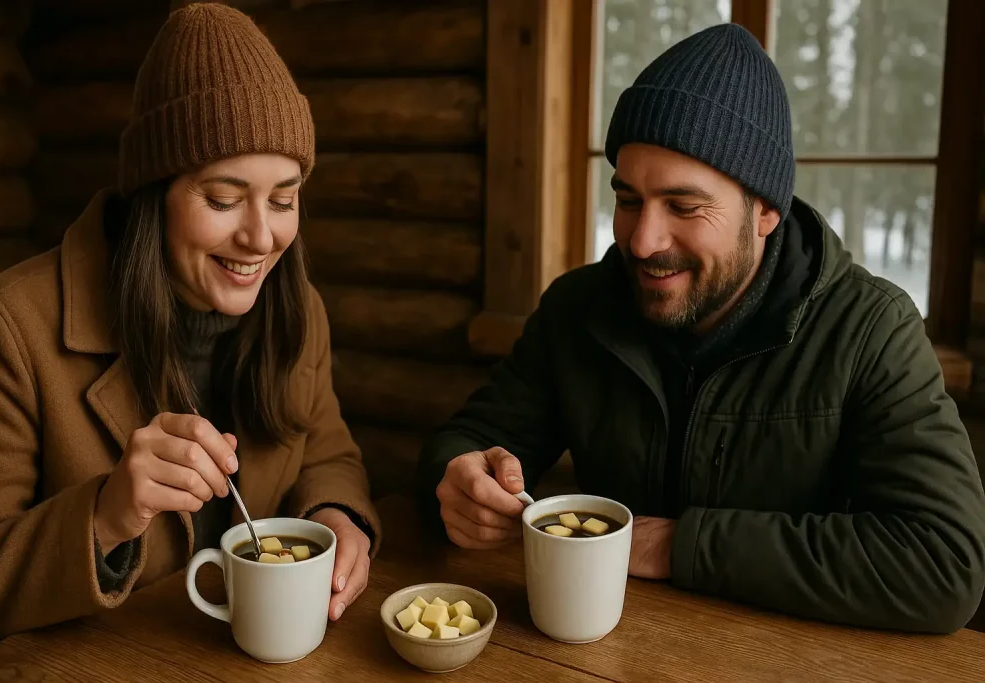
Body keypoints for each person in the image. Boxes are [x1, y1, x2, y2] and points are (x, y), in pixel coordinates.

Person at [417, 24, 985, 634]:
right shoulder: (577, 307)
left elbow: (944, 563)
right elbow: (470, 439)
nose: (642, 241)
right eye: (629, 199)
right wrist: (456, 478)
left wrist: (671, 545)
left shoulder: (872, 329)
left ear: (766, 210)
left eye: (684, 207)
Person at [0, 3, 378, 646]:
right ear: (151, 196)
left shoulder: (298, 310)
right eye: (222, 199)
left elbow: (325, 452)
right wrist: (105, 515)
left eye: (285, 198)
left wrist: (336, 516)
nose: (261, 237)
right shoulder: (11, 328)